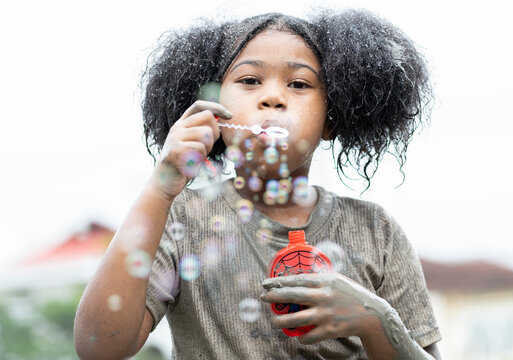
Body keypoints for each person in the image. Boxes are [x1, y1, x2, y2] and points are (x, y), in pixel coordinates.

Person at [74, 8, 442, 360]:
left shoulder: (377, 232)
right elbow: (98, 347)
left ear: (331, 120)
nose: (272, 97)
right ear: (212, 109)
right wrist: (160, 186)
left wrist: (375, 321)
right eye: (249, 80)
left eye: (298, 83)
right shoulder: (181, 219)